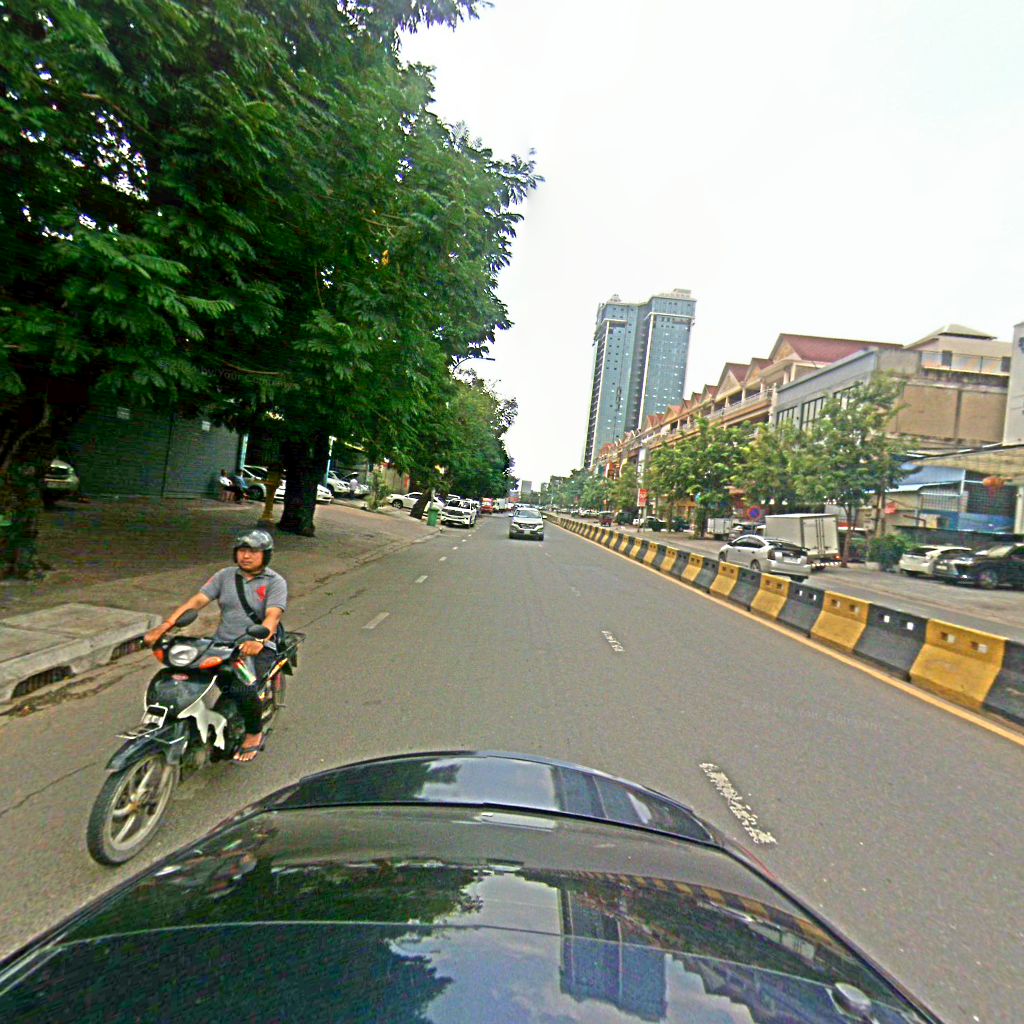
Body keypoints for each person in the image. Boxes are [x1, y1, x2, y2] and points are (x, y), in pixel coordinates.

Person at [143, 529, 287, 763]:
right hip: (222, 645)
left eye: (253, 551)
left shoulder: (275, 582)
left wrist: (259, 641)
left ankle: (253, 732)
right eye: (242, 550)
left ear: (265, 555)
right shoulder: (224, 576)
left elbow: (273, 616)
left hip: (257, 646)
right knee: (183, 674)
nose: (246, 556)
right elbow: (197, 601)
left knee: (244, 689)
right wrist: (164, 627)